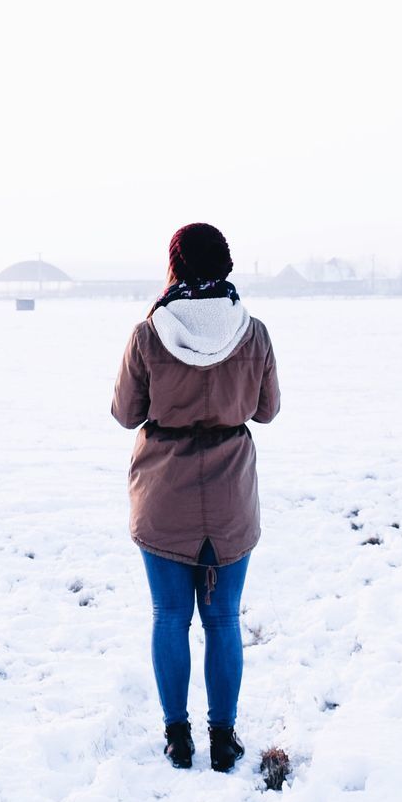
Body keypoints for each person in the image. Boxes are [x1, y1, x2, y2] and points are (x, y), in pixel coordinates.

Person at [111, 223, 281, 772]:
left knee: (168, 616)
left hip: (163, 494)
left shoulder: (148, 334)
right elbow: (267, 410)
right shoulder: (252, 333)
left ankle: (177, 736)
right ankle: (224, 738)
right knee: (224, 618)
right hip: (231, 494)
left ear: (176, 265)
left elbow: (125, 413)